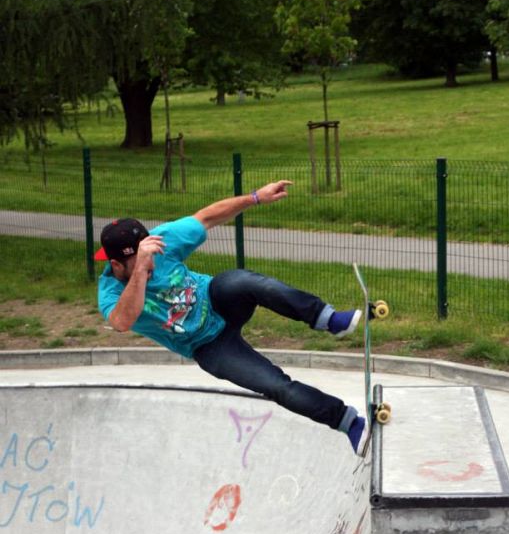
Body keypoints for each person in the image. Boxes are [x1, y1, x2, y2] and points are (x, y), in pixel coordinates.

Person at [95, 180, 369, 455]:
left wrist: (255, 197)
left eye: (151, 256)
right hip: (207, 346)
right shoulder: (110, 292)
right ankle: (348, 422)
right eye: (142, 261)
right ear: (116, 264)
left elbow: (206, 217)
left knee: (248, 282)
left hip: (218, 299)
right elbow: (121, 321)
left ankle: (328, 319)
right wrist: (141, 271)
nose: (151, 263)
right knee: (276, 386)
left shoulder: (159, 240)